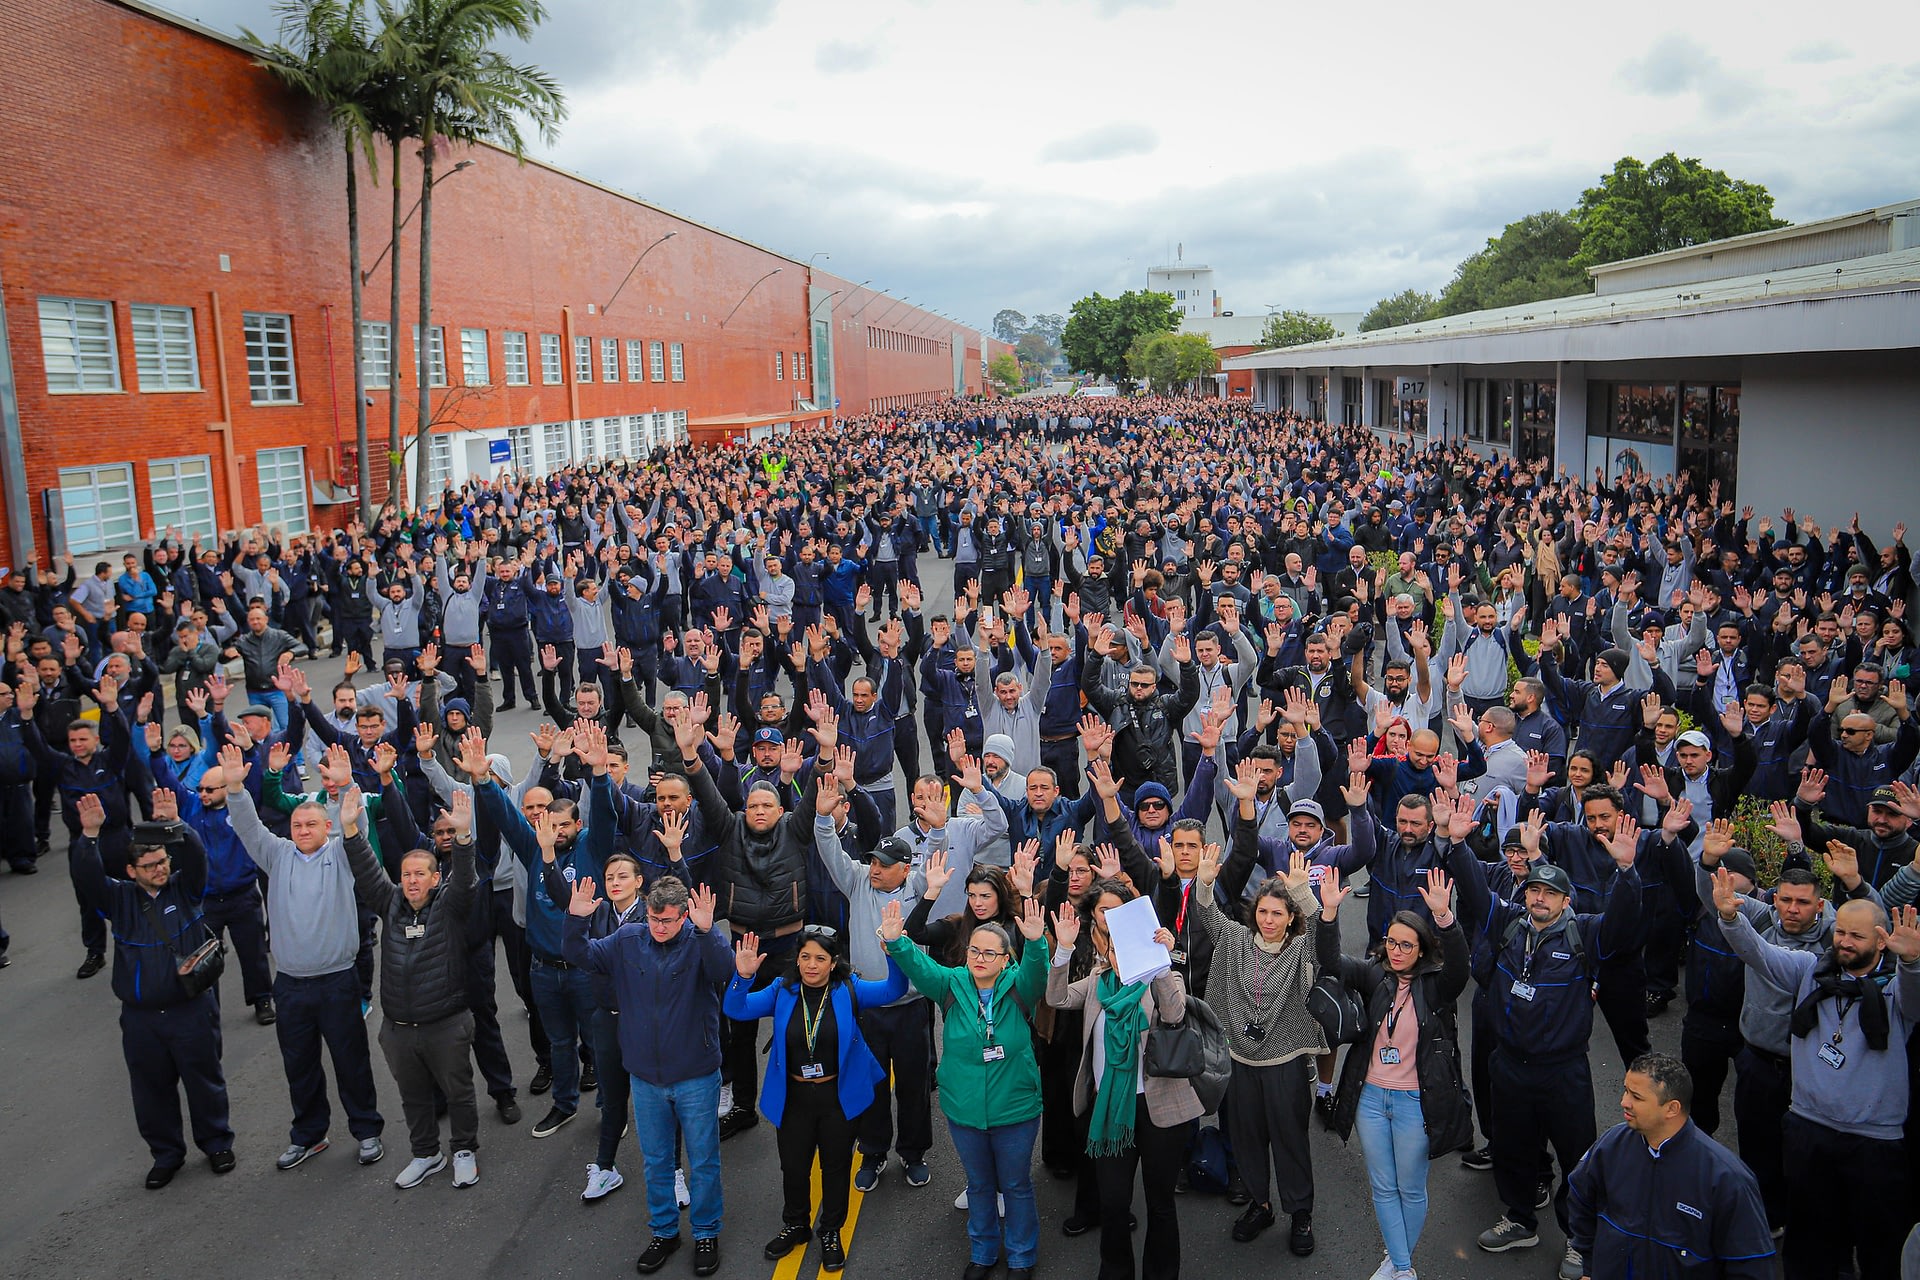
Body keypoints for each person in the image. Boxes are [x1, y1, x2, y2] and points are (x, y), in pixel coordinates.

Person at [1455, 811, 1646, 1280]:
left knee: (1576, 1156)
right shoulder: (1509, 923)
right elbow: (1476, 894)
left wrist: (1626, 872)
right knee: (1513, 1149)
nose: (1539, 899)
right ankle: (1520, 1219)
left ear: (1565, 900)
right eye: (1534, 891)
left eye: (1550, 893)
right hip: (1510, 1064)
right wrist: (1456, 843)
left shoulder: (1586, 932)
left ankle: (1580, 1240)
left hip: (1564, 1071)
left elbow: (1624, 924)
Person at [1713, 865, 1920, 1280]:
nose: (1844, 942)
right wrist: (1731, 918)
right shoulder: (1811, 970)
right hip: (1808, 1131)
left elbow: (1916, 1000)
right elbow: (1759, 954)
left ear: (1882, 940)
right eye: (1841, 931)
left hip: (1873, 1143)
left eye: (1857, 936)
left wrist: (1913, 961)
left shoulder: (1897, 989)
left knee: (1880, 1249)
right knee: (1809, 1242)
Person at [221, 742, 386, 1172]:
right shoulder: (276, 855)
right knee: (300, 1064)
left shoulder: (340, 854)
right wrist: (237, 788)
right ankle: (309, 1135)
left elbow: (358, 828)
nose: (303, 829)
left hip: (338, 981)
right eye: (297, 824)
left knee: (351, 1062)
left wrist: (348, 783)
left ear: (326, 825)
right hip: (291, 984)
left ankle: (367, 1131)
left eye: (312, 823)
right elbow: (248, 827)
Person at [566, 874, 733, 1279]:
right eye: (655, 918)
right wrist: (575, 919)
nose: (659, 927)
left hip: (695, 1073)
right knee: (656, 1161)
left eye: (669, 920)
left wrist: (709, 931)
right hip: (645, 1076)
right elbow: (580, 955)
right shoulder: (627, 940)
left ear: (684, 918)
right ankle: (664, 1232)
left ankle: (706, 1232)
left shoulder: (699, 939)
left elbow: (724, 970)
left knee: (704, 1160)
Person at [725, 910, 909, 1273]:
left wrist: (893, 949)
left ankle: (831, 1230)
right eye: (805, 957)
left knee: (835, 1167)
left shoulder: (849, 990)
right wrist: (742, 976)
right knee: (793, 1167)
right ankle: (796, 1224)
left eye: (820, 958)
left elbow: (895, 989)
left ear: (833, 961)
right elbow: (737, 1009)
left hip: (837, 1098)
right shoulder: (782, 990)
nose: (811, 965)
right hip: (794, 1097)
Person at [70, 793, 235, 1188]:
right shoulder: (119, 899)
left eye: (163, 861)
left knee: (205, 1081)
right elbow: (87, 878)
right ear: (131, 871)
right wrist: (89, 835)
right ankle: (166, 1155)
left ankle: (216, 1144)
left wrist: (178, 825)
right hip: (142, 1018)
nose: (160, 869)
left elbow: (197, 858)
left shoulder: (186, 888)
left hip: (191, 1008)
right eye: (150, 865)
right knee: (150, 1090)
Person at [884, 893, 1052, 1280]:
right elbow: (921, 967)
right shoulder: (952, 984)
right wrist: (897, 942)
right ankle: (983, 1251)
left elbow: (1037, 973)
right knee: (978, 1185)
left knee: (1015, 1185)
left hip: (1015, 1109)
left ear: (1006, 959)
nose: (979, 958)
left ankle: (1022, 1256)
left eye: (990, 953)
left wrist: (1037, 941)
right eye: (975, 950)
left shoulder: (1018, 987)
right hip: (964, 1109)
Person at [1317, 866, 1472, 1280]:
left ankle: (1397, 1264)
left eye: (1406, 944)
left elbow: (1460, 965)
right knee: (1383, 1187)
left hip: (1414, 1102)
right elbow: (1330, 962)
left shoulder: (1437, 986)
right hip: (1370, 1098)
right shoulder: (1374, 974)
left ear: (1422, 949)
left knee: (1411, 1187)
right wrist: (1329, 914)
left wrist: (1446, 919)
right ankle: (1403, 1267)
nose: (1397, 950)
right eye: (1391, 942)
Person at [1046, 876, 1198, 1280]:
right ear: (1101, 945)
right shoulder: (1097, 984)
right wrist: (1062, 951)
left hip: (1158, 1107)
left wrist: (1162, 964)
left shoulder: (1159, 981)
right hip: (1112, 1108)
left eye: (1125, 945)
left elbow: (1174, 1014)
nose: (1118, 953)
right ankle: (1115, 1272)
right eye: (1111, 944)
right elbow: (1056, 999)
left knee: (1160, 1201)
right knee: (1113, 1204)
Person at [341, 785, 479, 1190]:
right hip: (399, 1028)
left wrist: (465, 836)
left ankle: (464, 1150)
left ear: (436, 879)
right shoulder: (391, 903)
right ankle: (426, 1154)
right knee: (414, 1097)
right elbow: (367, 871)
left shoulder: (450, 906)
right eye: (406, 875)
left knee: (459, 1092)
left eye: (421, 874)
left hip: (446, 1024)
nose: (412, 881)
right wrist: (350, 828)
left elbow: (467, 879)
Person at [1190, 845, 1326, 1255]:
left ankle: (1300, 1213)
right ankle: (1260, 1203)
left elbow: (1322, 930)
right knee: (1246, 1137)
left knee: (1290, 1139)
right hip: (1239, 1059)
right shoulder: (1235, 938)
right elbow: (1208, 914)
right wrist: (1206, 881)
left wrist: (1304, 894)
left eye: (1278, 914)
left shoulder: (1302, 947)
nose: (1269, 920)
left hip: (1285, 1061)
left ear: (1290, 919)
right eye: (1264, 912)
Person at [1565, 1052, 1775, 1280]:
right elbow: (1579, 1198)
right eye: (1626, 1090)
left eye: (1636, 1096)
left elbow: (1750, 1266)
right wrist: (1589, 1266)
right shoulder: (1610, 1146)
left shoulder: (1727, 1179)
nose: (1624, 1102)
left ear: (1672, 1109)